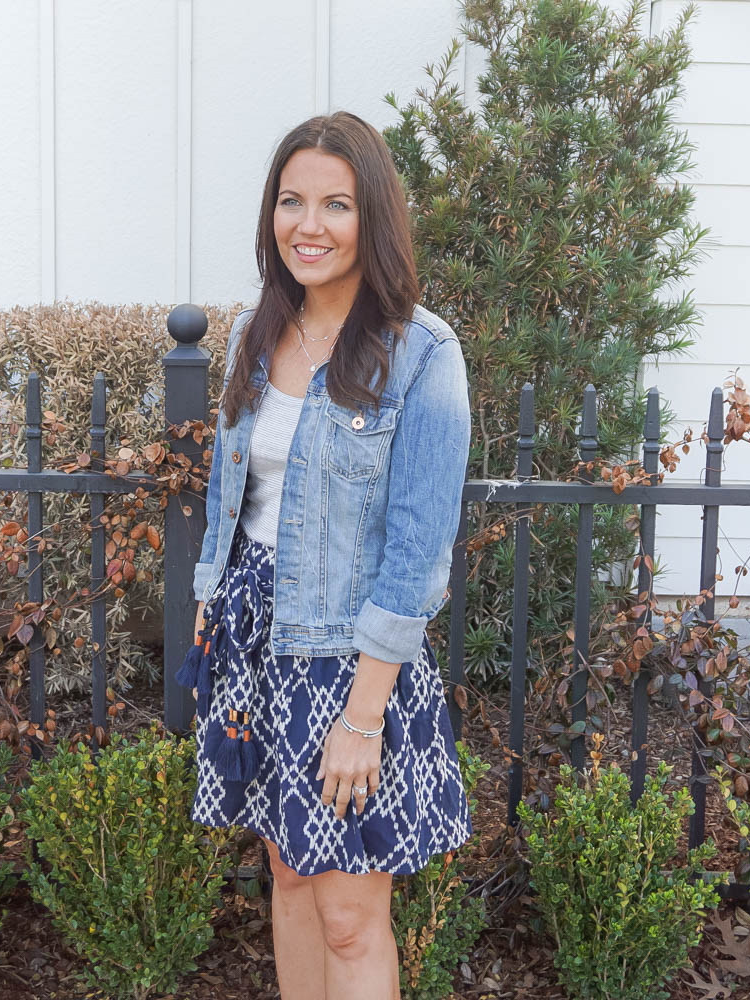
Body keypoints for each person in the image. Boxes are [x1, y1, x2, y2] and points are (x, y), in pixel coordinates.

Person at [175, 110, 473, 1000]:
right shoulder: (252, 334)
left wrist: (363, 717)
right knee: (291, 880)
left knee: (350, 917)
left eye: (335, 204)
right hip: (253, 641)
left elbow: (419, 553)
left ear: (371, 218)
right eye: (291, 201)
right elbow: (237, 492)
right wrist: (208, 597)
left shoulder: (421, 353)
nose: (309, 224)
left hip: (349, 659)